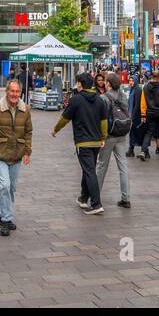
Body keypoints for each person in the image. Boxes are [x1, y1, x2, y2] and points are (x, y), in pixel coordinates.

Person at [0, 77, 33, 235]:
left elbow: (29, 132)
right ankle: (6, 219)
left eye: (17, 91)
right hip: (0, 153)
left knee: (12, 187)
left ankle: (4, 216)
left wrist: (27, 151)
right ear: (7, 91)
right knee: (4, 185)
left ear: (20, 92)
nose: (14, 94)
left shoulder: (25, 109)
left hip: (17, 153)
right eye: (12, 91)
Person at [51, 72, 108, 214]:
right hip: (96, 142)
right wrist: (103, 138)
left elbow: (65, 118)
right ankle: (83, 198)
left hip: (83, 142)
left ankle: (96, 204)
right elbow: (104, 122)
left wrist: (55, 130)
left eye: (77, 83)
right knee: (88, 169)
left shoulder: (76, 100)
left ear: (80, 84)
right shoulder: (100, 100)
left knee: (89, 171)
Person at [96, 72, 131, 209]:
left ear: (108, 83)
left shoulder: (103, 98)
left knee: (102, 166)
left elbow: (100, 118)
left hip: (109, 135)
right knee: (123, 167)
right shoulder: (123, 95)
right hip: (122, 133)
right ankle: (126, 198)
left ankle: (96, 196)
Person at [138, 70, 159, 161]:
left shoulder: (145, 87)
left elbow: (143, 102)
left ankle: (143, 151)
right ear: (158, 77)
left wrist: (143, 115)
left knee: (149, 132)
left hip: (149, 113)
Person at [126, 75, 143, 157]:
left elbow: (137, 104)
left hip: (137, 116)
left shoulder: (138, 90)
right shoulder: (132, 89)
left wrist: (132, 116)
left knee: (138, 133)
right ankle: (131, 150)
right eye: (129, 81)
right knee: (133, 133)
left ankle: (144, 151)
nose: (130, 82)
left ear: (136, 81)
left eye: (132, 81)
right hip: (133, 115)